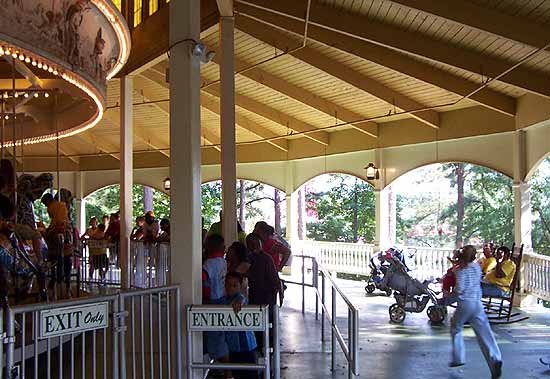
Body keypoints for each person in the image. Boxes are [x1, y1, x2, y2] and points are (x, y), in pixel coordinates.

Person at [449, 245, 502, 379]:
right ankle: (495, 359)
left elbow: (460, 289)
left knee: (456, 327)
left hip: (465, 304)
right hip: (477, 304)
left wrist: (449, 296)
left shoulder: (460, 271)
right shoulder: (476, 267)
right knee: (485, 333)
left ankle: (458, 357)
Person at [246, 233, 282, 353]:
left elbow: (274, 279)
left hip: (265, 296)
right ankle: (264, 349)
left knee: (266, 323)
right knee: (261, 324)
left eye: (256, 245)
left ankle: (266, 349)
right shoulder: (253, 258)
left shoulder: (264, 258)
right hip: (258, 295)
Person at [222, 272, 259, 379]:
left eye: (234, 285)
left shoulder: (240, 298)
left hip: (247, 346)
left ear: (240, 286)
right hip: (233, 348)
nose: (231, 288)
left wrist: (239, 302)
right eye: (228, 285)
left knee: (250, 375)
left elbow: (242, 300)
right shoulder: (223, 301)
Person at [202, 234, 229, 364]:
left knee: (214, 336)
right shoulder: (223, 262)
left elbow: (202, 278)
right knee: (220, 335)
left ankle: (226, 370)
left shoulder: (209, 263)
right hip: (222, 298)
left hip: (212, 300)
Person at [41, 193, 72, 296]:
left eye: (45, 204)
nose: (46, 206)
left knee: (43, 233)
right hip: (66, 228)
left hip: (58, 227)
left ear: (48, 201)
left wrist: (47, 228)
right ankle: (74, 248)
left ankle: (47, 257)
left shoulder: (51, 207)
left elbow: (55, 221)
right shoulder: (62, 206)